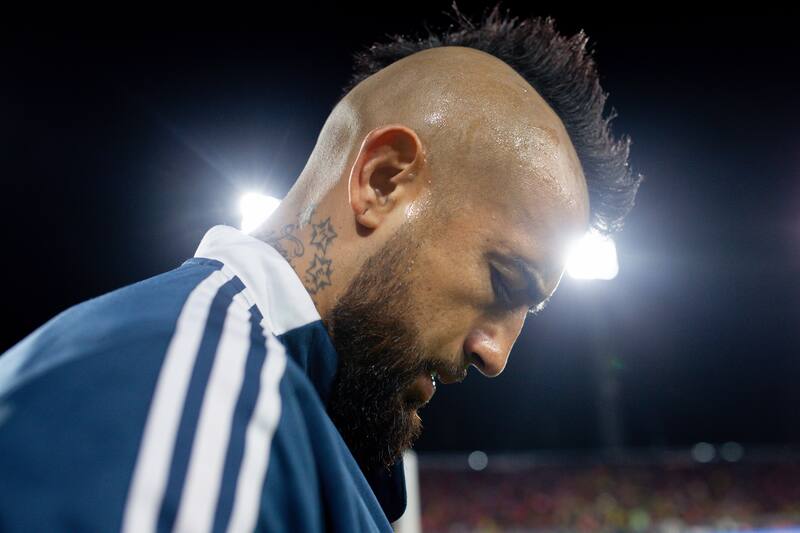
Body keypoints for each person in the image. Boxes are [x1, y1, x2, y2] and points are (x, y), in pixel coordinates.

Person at [0, 5, 642, 532]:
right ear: (382, 181)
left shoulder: (275, 413)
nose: (497, 355)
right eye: (504, 281)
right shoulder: (200, 389)